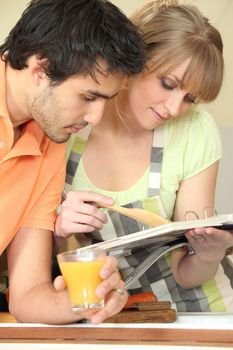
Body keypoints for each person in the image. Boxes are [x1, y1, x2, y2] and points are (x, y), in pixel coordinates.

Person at [55, 0, 233, 312]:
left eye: (190, 98)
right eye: (168, 84)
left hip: (205, 312)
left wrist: (208, 254)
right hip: (117, 313)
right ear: (138, 59)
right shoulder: (70, 123)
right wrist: (57, 232)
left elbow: (186, 273)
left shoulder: (194, 129)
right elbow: (35, 273)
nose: (174, 108)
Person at [0, 0, 146, 324]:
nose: (95, 117)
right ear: (40, 69)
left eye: (104, 101)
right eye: (88, 97)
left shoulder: (50, 142)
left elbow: (27, 296)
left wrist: (89, 299)